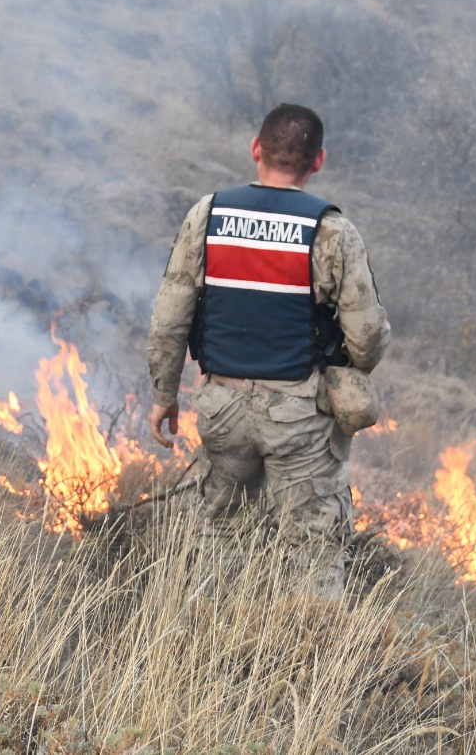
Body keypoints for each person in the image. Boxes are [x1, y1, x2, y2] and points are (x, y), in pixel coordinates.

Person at [147, 104, 390, 595]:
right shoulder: (331, 230)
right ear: (318, 160)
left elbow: (170, 318)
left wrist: (164, 394)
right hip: (299, 414)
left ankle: (208, 633)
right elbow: (366, 337)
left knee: (219, 536)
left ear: (256, 149)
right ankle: (311, 642)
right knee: (314, 547)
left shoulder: (208, 214)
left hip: (221, 407)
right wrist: (351, 368)